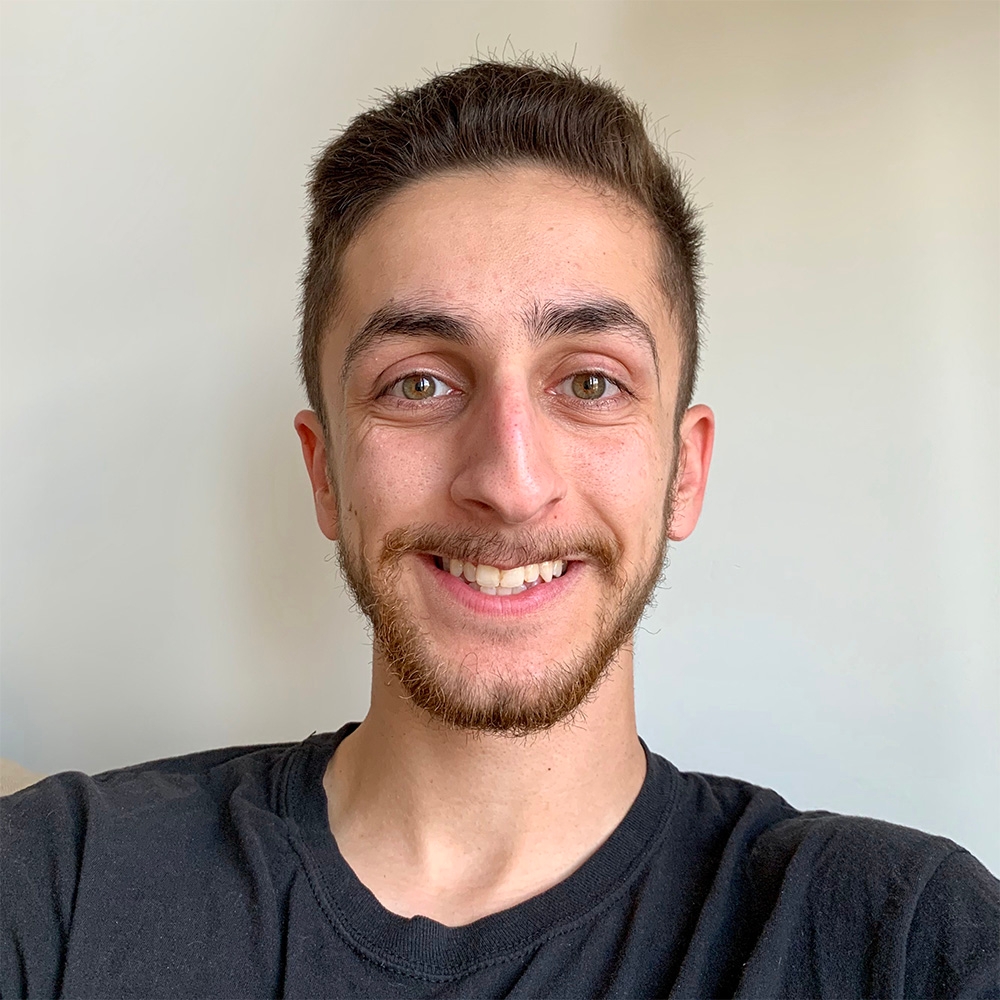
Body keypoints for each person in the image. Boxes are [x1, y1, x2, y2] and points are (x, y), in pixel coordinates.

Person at [2, 60, 997, 1000]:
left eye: (591, 382)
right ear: (325, 471)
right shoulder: (58, 883)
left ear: (684, 471)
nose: (510, 484)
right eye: (419, 383)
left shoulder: (899, 939)